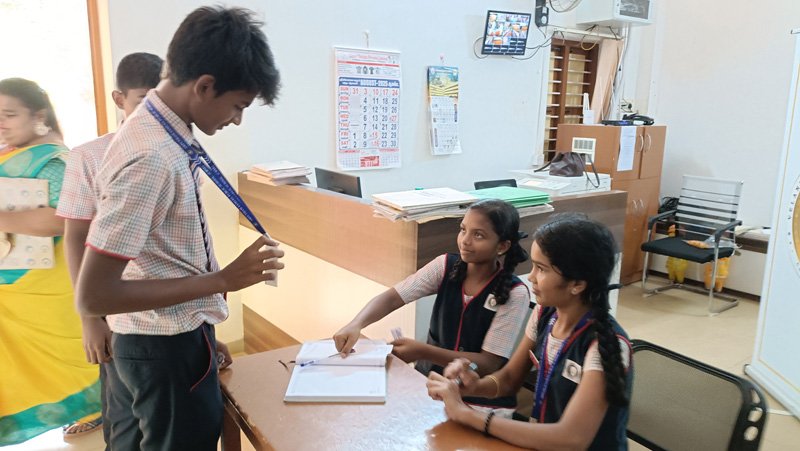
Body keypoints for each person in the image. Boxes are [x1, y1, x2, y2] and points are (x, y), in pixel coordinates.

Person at [74, 6, 283, 450]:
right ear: (204, 86)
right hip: (159, 347)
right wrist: (222, 281)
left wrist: (201, 328)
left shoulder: (165, 131)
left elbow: (160, 255)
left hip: (168, 335)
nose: (237, 119)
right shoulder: (151, 155)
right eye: (239, 105)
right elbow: (94, 295)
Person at [427, 214, 632, 450]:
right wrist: (474, 386)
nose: (531, 277)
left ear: (577, 284)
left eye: (541, 269)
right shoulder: (546, 314)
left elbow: (572, 438)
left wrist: (467, 415)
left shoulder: (605, 345)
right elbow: (508, 379)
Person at [334, 199, 531, 416]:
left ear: (502, 246)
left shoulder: (515, 293)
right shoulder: (445, 266)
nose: (465, 241)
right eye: (463, 230)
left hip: (480, 400)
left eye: (478, 235)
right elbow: (392, 298)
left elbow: (489, 363)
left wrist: (422, 351)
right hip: (431, 383)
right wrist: (356, 324)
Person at [56, 52, 165, 442]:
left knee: (162, 422)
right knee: (124, 422)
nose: (154, 112)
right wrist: (89, 318)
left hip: (169, 310)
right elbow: (75, 237)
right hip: (117, 311)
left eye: (161, 100)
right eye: (143, 101)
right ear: (119, 99)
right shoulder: (89, 156)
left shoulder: (177, 150)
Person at [0, 78, 101, 446]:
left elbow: (65, 218)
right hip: (15, 280)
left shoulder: (54, 160)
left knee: (64, 353)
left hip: (48, 281)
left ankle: (93, 407)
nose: (1, 123)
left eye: (9, 114)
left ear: (38, 116)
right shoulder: (13, 152)